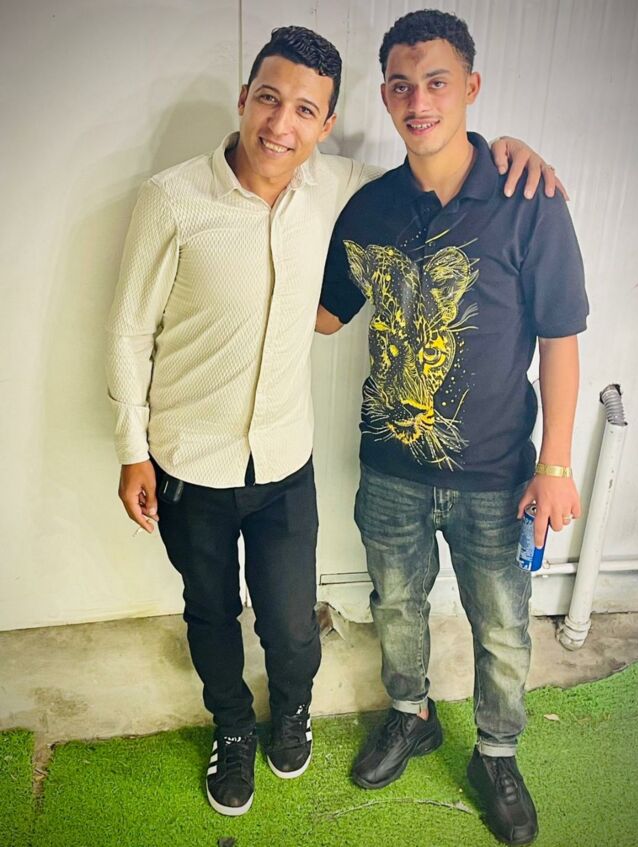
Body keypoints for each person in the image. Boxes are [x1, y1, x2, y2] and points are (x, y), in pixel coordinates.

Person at [106, 24, 563, 819]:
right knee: (215, 610)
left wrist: (509, 151)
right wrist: (132, 449)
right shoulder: (175, 198)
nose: (282, 124)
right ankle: (239, 726)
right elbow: (129, 332)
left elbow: (438, 162)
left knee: (301, 625)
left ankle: (302, 714)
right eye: (269, 99)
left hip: (297, 463)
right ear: (244, 99)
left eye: (305, 110)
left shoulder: (348, 185)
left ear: (327, 125)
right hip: (190, 461)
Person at [317, 9, 588, 846]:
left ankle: (497, 753)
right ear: (385, 96)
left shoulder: (527, 198)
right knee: (396, 604)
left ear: (471, 87)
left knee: (502, 625)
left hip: (497, 473)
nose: (418, 101)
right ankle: (412, 714)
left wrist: (555, 464)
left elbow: (560, 337)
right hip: (391, 465)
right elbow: (325, 315)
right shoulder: (367, 208)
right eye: (401, 85)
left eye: (436, 82)